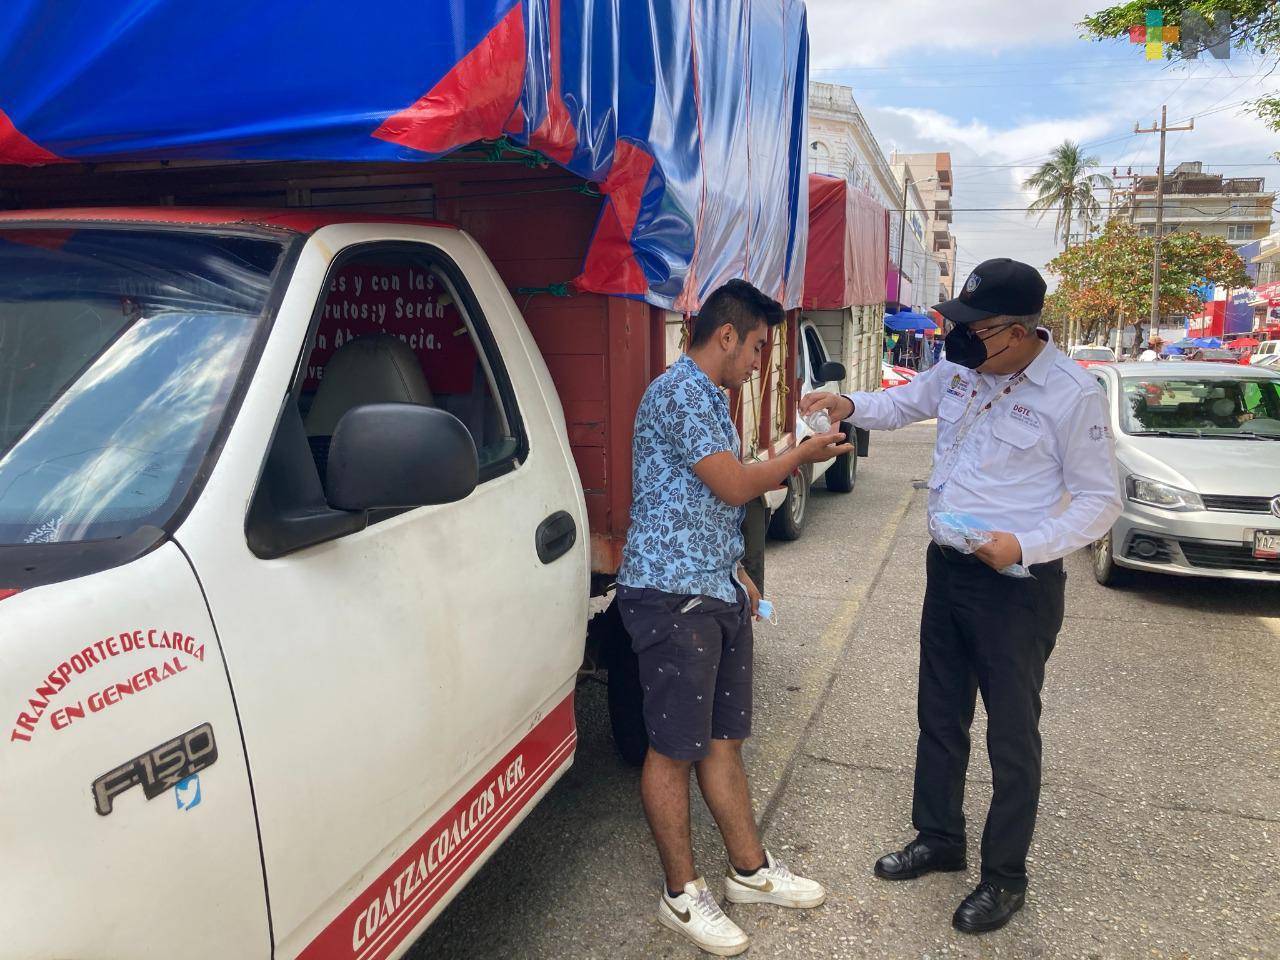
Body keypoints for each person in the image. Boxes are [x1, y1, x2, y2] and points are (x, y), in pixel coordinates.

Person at [801, 258, 1122, 935]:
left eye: (976, 326)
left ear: (1018, 329)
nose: (962, 336)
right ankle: (939, 838)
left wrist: (1027, 545)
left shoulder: (1072, 393)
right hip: (946, 569)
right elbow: (903, 403)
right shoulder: (958, 370)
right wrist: (849, 404)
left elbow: (1100, 501)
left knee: (1011, 736)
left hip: (1015, 587)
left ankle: (1005, 877)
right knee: (939, 715)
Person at [617, 279, 851, 957]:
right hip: (671, 598)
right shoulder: (681, 392)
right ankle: (681, 894)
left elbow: (708, 501)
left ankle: (749, 872)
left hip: (711, 589)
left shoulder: (712, 398)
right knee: (673, 751)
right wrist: (800, 457)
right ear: (726, 334)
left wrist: (735, 569)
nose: (758, 361)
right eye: (755, 346)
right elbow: (736, 485)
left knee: (722, 741)